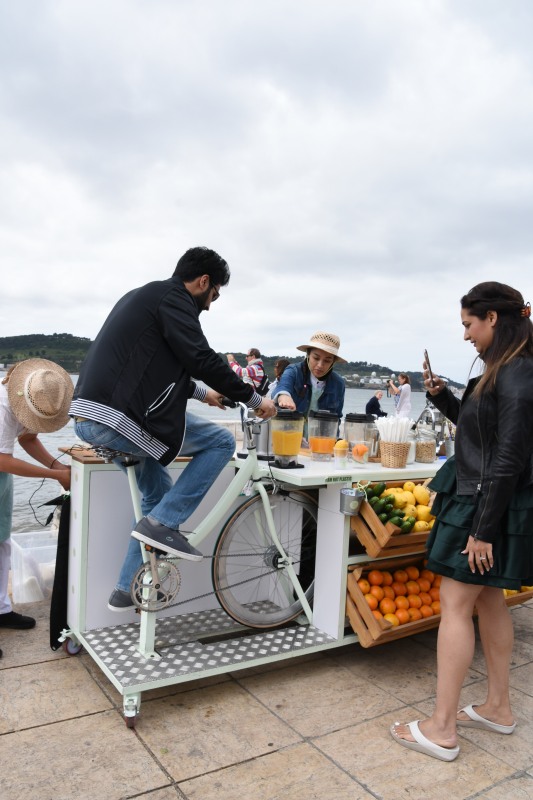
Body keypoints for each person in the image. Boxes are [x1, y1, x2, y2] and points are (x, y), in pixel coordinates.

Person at [70, 246, 277, 611]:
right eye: (213, 295)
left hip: (90, 418)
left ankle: (126, 587)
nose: (210, 305)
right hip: (115, 419)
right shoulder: (175, 299)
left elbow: (154, 367)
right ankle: (163, 524)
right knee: (217, 442)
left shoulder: (147, 296)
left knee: (157, 497)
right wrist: (256, 400)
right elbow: (199, 356)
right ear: (203, 282)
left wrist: (203, 394)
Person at [391, 281, 533, 762]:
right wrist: (445, 400)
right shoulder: (509, 369)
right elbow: (485, 434)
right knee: (490, 600)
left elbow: (509, 456)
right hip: (487, 496)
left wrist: (482, 530)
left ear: (493, 318)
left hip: (482, 501)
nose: (466, 335)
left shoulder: (515, 373)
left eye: (469, 324)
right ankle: (497, 706)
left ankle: (443, 728)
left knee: (455, 602)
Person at [0, 359, 73, 632]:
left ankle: (1, 610)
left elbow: (27, 439)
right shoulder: (3, 406)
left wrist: (58, 466)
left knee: (2, 540)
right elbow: (2, 460)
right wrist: (56, 476)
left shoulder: (34, 398)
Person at [273, 332, 346, 432]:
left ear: (333, 362)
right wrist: (284, 396)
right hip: (289, 434)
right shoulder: (293, 371)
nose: (320, 365)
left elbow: (336, 419)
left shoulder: (339, 384)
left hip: (320, 440)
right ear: (308, 354)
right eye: (316, 358)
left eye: (327, 361)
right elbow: (283, 386)